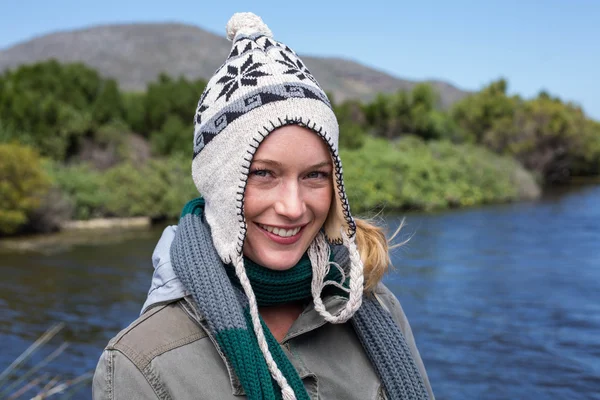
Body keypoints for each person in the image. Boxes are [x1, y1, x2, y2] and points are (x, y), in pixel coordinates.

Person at [92, 12, 434, 400]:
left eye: (315, 176)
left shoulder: (376, 307)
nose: (292, 207)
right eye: (264, 174)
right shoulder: (141, 364)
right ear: (219, 184)